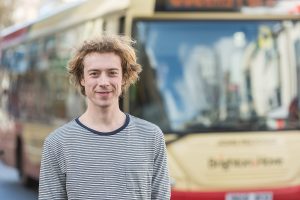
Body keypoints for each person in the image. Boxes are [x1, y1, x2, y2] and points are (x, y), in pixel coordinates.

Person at [38, 35, 171, 200]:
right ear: (82, 79)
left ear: (123, 77)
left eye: (112, 73)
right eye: (94, 73)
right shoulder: (57, 143)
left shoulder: (152, 137)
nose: (104, 82)